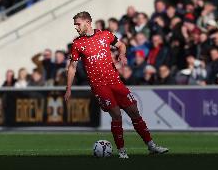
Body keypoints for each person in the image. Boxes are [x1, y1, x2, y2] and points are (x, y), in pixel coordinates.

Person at [64, 11, 168, 159]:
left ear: (87, 22)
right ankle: (122, 151)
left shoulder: (105, 35)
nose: (76, 27)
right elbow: (72, 67)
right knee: (117, 115)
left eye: (78, 24)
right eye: (75, 25)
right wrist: (69, 87)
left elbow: (121, 44)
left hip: (115, 81)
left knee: (134, 111)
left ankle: (151, 145)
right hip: (99, 85)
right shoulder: (77, 44)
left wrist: (122, 54)